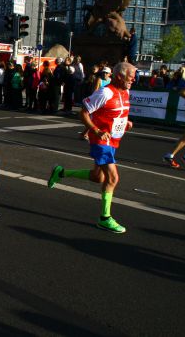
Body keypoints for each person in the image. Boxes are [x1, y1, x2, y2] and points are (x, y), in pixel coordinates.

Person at [48, 62, 137, 234]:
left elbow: (115, 114)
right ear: (119, 76)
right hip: (101, 141)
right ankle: (104, 218)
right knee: (112, 179)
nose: (134, 79)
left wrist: (126, 123)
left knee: (98, 177)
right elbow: (84, 112)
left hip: (113, 141)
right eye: (131, 76)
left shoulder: (125, 91)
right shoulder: (105, 92)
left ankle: (61, 172)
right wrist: (94, 130)